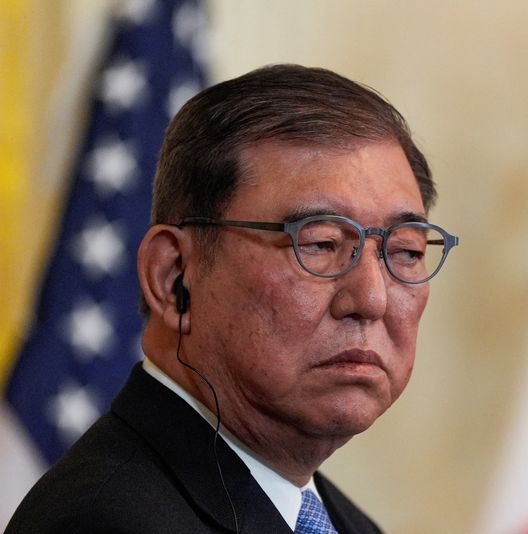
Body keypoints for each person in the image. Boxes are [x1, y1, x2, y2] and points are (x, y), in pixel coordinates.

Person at [6, 64, 458, 533]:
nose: (371, 297)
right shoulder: (105, 523)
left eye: (405, 251)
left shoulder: (348, 526)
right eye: (320, 244)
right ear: (173, 278)